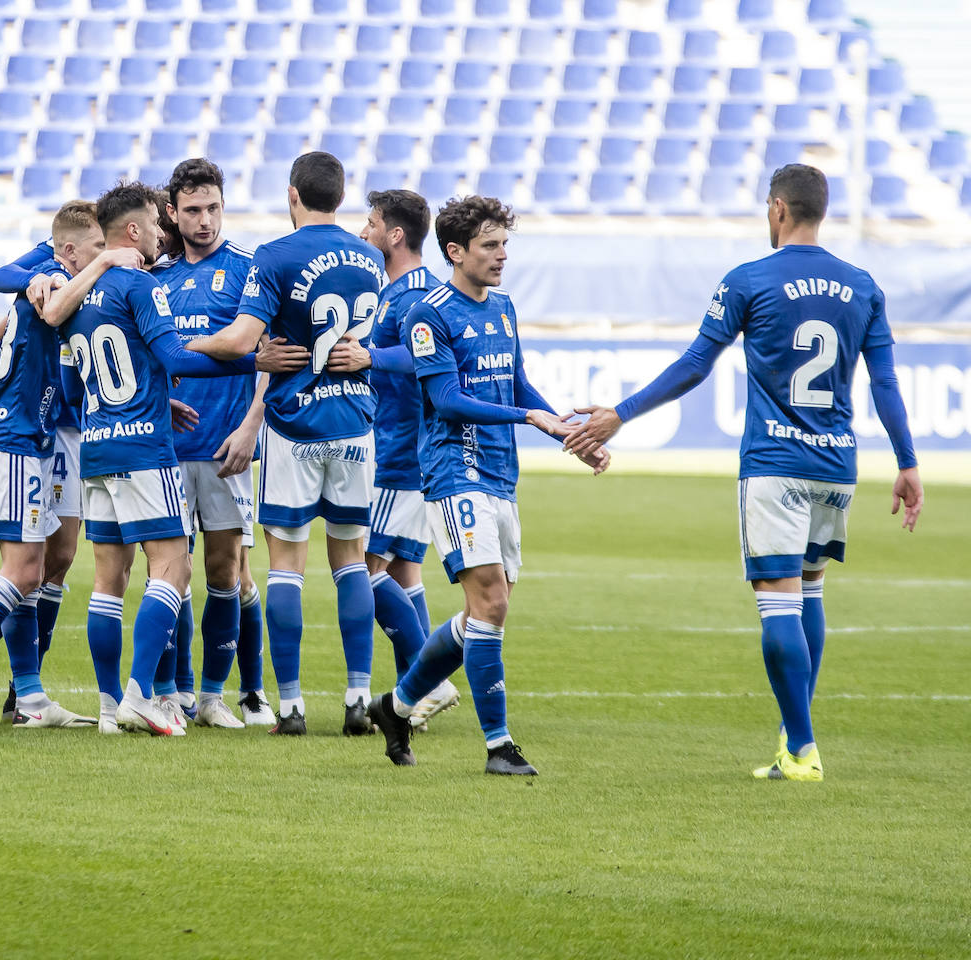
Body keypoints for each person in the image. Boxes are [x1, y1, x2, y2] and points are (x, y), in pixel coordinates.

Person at [564, 164, 923, 782]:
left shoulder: (749, 280)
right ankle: (793, 734)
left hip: (775, 463)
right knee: (809, 589)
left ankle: (803, 749)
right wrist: (908, 462)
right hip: (837, 463)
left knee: (777, 599)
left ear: (779, 209)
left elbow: (695, 364)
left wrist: (620, 414)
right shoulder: (864, 286)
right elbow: (885, 381)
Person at [365, 195, 609, 776]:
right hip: (453, 473)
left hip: (501, 475)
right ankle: (498, 746)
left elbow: (518, 385)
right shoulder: (430, 314)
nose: (502, 256)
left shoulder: (503, 308)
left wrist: (572, 435)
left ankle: (396, 708)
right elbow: (446, 400)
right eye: (490, 246)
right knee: (491, 603)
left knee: (484, 613)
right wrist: (530, 420)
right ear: (455, 252)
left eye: (505, 245)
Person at [0, 201, 136, 730]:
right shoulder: (56, 275)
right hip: (11, 435)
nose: (105, 257)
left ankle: (29, 698)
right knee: (22, 570)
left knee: (38, 569)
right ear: (70, 251)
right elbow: (13, 285)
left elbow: (1, 330)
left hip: (28, 436)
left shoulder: (59, 278)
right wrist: (64, 275)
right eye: (98, 250)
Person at [185, 151, 385, 736]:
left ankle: (292, 707)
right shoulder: (370, 256)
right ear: (341, 197)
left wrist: (182, 346)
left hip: (294, 422)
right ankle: (356, 700)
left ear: (292, 193)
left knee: (286, 567)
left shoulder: (274, 255)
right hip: (354, 424)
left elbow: (244, 338)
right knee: (349, 561)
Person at [43, 181, 254, 736]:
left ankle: (111, 708)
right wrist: (255, 360)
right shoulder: (137, 283)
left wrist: (153, 392)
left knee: (109, 581)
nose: (164, 236)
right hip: (144, 448)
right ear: (132, 231)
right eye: (156, 227)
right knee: (174, 567)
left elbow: (74, 383)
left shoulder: (75, 295)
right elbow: (173, 353)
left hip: (97, 447)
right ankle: (141, 693)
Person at [149, 158, 281, 729]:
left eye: (214, 208)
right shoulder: (157, 278)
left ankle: (213, 696)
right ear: (173, 214)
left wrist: (252, 424)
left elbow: (271, 358)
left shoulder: (251, 270)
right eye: (194, 210)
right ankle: (175, 692)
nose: (206, 220)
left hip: (227, 448)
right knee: (170, 572)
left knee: (226, 571)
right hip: (167, 450)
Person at [327, 189, 459, 727]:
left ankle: (429, 683)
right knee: (405, 571)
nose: (364, 231)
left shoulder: (415, 297)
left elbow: (426, 353)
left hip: (401, 455)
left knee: (362, 565)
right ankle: (423, 691)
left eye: (372, 222)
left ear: (395, 235)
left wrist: (368, 355)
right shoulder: (398, 292)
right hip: (407, 452)